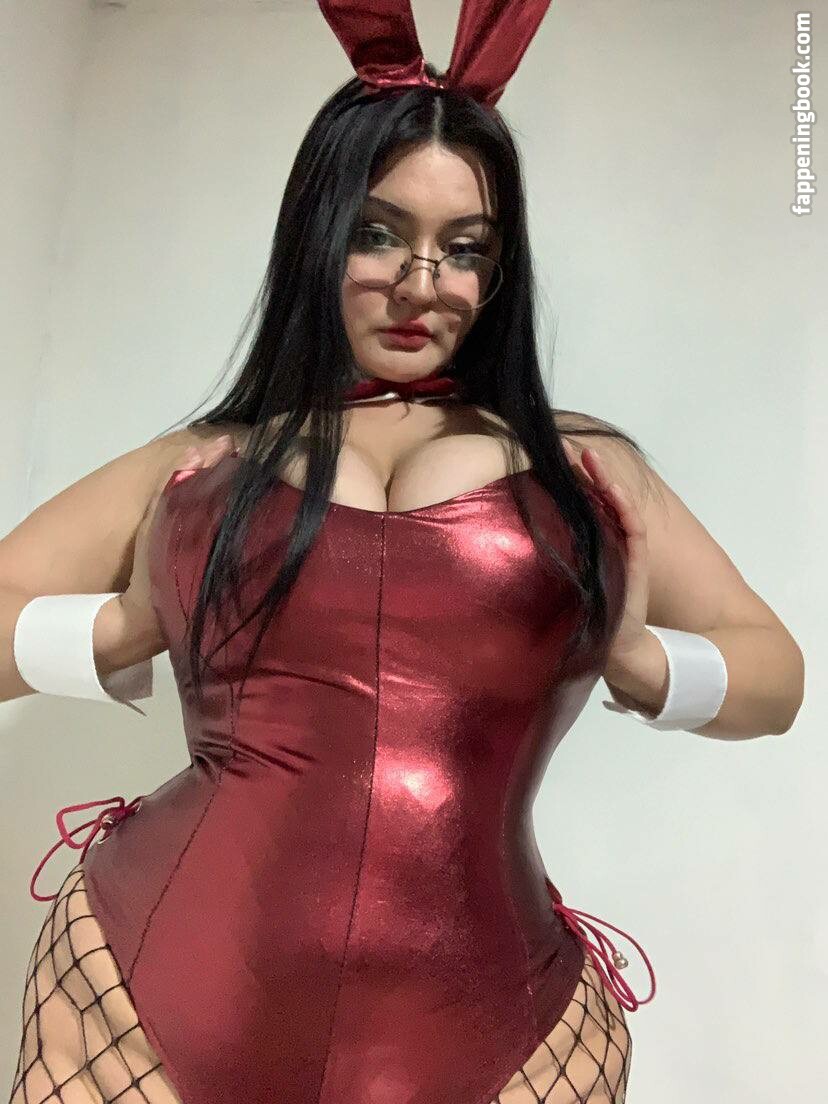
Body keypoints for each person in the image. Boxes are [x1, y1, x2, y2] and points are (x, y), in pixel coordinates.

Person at [2, 2, 803, 1103]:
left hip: (498, 1032)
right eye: (378, 234)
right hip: (140, 1001)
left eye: (464, 249)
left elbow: (777, 677)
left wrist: (639, 661)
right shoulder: (204, 460)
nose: (422, 283)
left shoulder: (585, 468)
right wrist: (121, 627)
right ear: (316, 235)